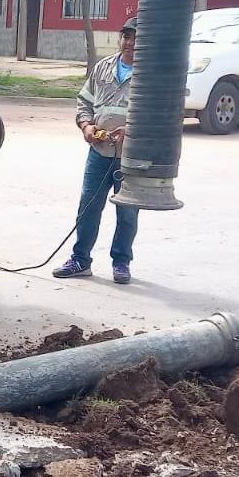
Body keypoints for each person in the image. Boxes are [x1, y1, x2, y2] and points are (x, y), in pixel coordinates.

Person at [53, 16, 139, 285]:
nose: (130, 42)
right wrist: (86, 125)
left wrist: (129, 129)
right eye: (126, 36)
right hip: (99, 151)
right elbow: (84, 101)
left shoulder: (150, 75)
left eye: (135, 38)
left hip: (130, 157)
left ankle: (121, 262)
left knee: (127, 212)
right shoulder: (103, 68)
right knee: (88, 205)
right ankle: (80, 260)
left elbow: (156, 115)